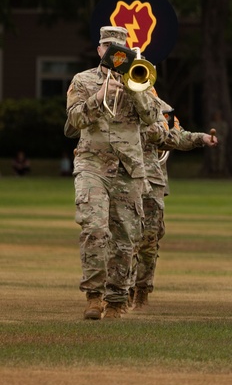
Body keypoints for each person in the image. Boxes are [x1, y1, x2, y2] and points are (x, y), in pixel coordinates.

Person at [65, 26, 161, 320]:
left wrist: (136, 89)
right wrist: (101, 94)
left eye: (120, 50)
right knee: (94, 228)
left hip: (128, 169)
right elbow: (73, 120)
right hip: (92, 165)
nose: (114, 54)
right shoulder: (83, 80)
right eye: (108, 48)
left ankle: (116, 300)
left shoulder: (141, 79)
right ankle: (94, 296)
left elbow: (153, 120)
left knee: (125, 238)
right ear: (99, 50)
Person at [132, 98, 219, 309]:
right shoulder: (112, 100)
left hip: (151, 182)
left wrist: (201, 138)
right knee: (120, 238)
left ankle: (141, 289)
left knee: (149, 240)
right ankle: (119, 289)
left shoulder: (159, 106)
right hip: (120, 177)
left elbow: (175, 136)